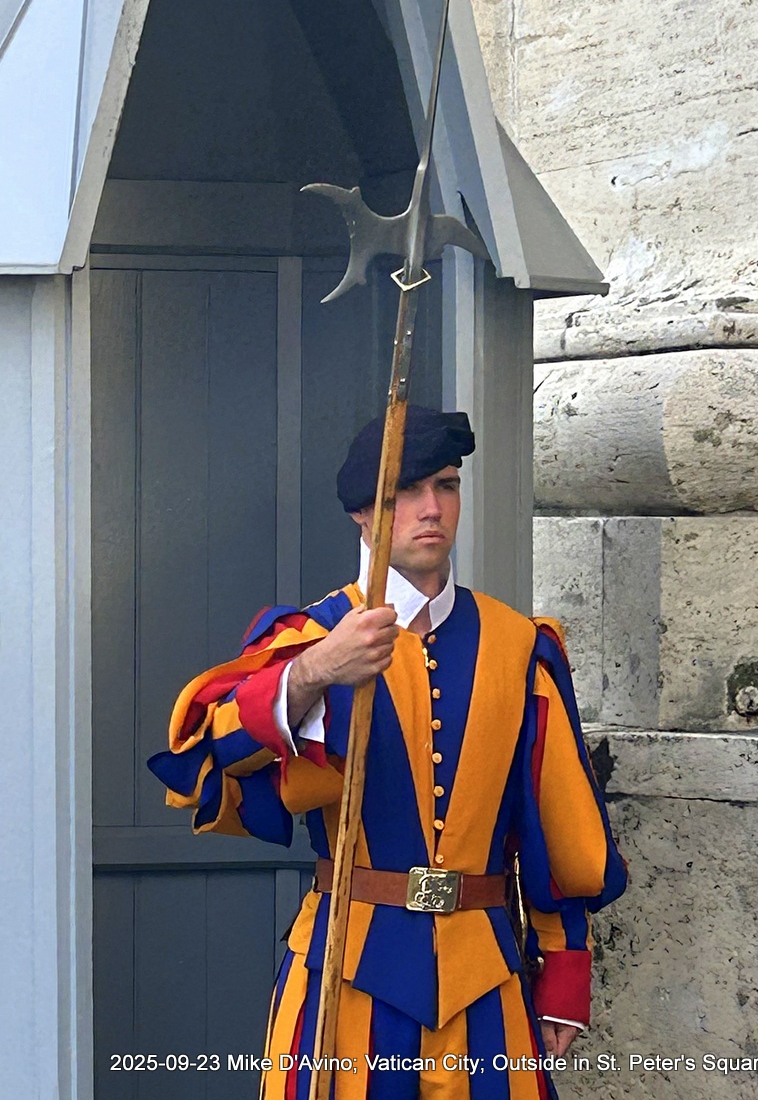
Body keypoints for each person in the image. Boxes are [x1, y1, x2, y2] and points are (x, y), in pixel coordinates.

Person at [149, 406, 628, 1100]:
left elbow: (557, 823)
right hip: (345, 971)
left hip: (487, 976)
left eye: (445, 485)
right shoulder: (311, 637)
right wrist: (314, 671)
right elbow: (205, 761)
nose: (431, 508)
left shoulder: (520, 646)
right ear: (361, 513)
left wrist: (564, 968)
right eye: (404, 491)